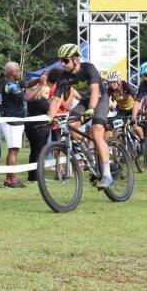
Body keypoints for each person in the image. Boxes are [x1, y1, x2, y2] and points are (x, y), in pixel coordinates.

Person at [48, 43, 114, 188]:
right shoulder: (64, 76)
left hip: (100, 99)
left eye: (65, 60)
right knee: (71, 128)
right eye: (61, 60)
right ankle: (89, 154)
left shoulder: (88, 68)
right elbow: (56, 98)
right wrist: (51, 116)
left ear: (76, 59)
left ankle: (107, 175)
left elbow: (95, 89)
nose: (62, 64)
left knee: (97, 131)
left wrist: (91, 109)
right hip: (84, 102)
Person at [0, 62, 40, 188]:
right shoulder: (9, 85)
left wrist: (39, 79)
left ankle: (9, 179)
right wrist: (41, 85)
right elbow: (27, 97)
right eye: (18, 70)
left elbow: (27, 84)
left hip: (16, 121)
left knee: (13, 150)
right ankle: (13, 180)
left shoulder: (16, 82)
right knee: (13, 151)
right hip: (12, 122)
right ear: (11, 72)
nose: (20, 72)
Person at [24, 73, 50, 182]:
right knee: (40, 152)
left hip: (31, 128)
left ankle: (32, 176)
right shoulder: (42, 101)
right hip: (40, 128)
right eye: (46, 91)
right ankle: (39, 176)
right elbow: (50, 110)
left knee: (34, 152)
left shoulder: (32, 101)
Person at [106, 69, 143, 140]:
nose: (111, 84)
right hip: (121, 111)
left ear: (119, 81)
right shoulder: (110, 89)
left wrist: (140, 110)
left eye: (113, 82)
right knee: (114, 125)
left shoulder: (126, 86)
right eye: (110, 82)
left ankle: (143, 140)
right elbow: (105, 101)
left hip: (132, 109)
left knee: (134, 126)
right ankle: (115, 145)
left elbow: (137, 99)